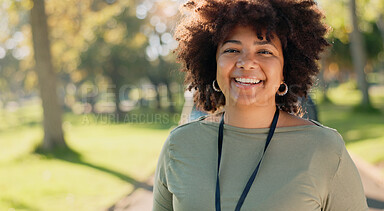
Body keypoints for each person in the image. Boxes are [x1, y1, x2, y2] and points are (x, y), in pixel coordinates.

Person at [153, 0, 368, 210]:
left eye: (265, 51)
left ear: (285, 69)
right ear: (213, 62)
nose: (246, 62)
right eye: (231, 50)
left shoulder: (326, 150)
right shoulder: (179, 145)